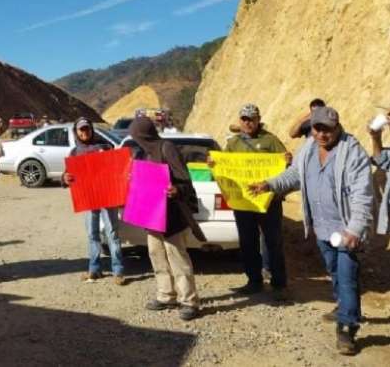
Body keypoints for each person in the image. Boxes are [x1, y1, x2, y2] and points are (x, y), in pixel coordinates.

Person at [249, 107, 372, 356]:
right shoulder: (308, 148)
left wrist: (355, 229)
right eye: (318, 128)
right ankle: (345, 308)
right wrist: (269, 184)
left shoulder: (352, 152)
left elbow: (363, 195)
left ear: (337, 127)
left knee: (347, 276)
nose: (322, 134)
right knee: (335, 272)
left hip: (347, 229)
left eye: (328, 129)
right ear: (312, 128)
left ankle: (347, 327)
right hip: (322, 228)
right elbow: (294, 176)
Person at [129, 114, 204, 321]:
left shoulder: (167, 148)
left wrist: (176, 189)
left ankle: (189, 301)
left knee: (177, 257)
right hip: (151, 215)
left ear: (144, 134)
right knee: (156, 255)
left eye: (137, 136)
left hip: (171, 216)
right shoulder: (142, 154)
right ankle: (166, 295)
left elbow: (186, 181)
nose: (136, 140)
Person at [220, 104, 290, 300]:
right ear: (240, 120)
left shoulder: (270, 140)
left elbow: (286, 165)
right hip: (243, 202)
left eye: (251, 119)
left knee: (273, 242)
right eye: (244, 119)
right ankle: (254, 281)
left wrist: (287, 159)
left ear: (258, 119)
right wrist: (214, 164)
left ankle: (279, 284)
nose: (248, 122)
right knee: (247, 242)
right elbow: (224, 166)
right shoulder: (233, 143)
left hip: (268, 201)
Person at [61, 117, 126, 286]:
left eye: (87, 129)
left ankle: (118, 271)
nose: (84, 132)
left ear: (92, 130)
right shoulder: (75, 152)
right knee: (92, 235)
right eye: (81, 129)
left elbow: (118, 170)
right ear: (76, 132)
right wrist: (65, 178)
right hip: (89, 200)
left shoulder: (105, 147)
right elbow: (67, 175)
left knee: (112, 234)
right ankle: (94, 269)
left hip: (107, 198)